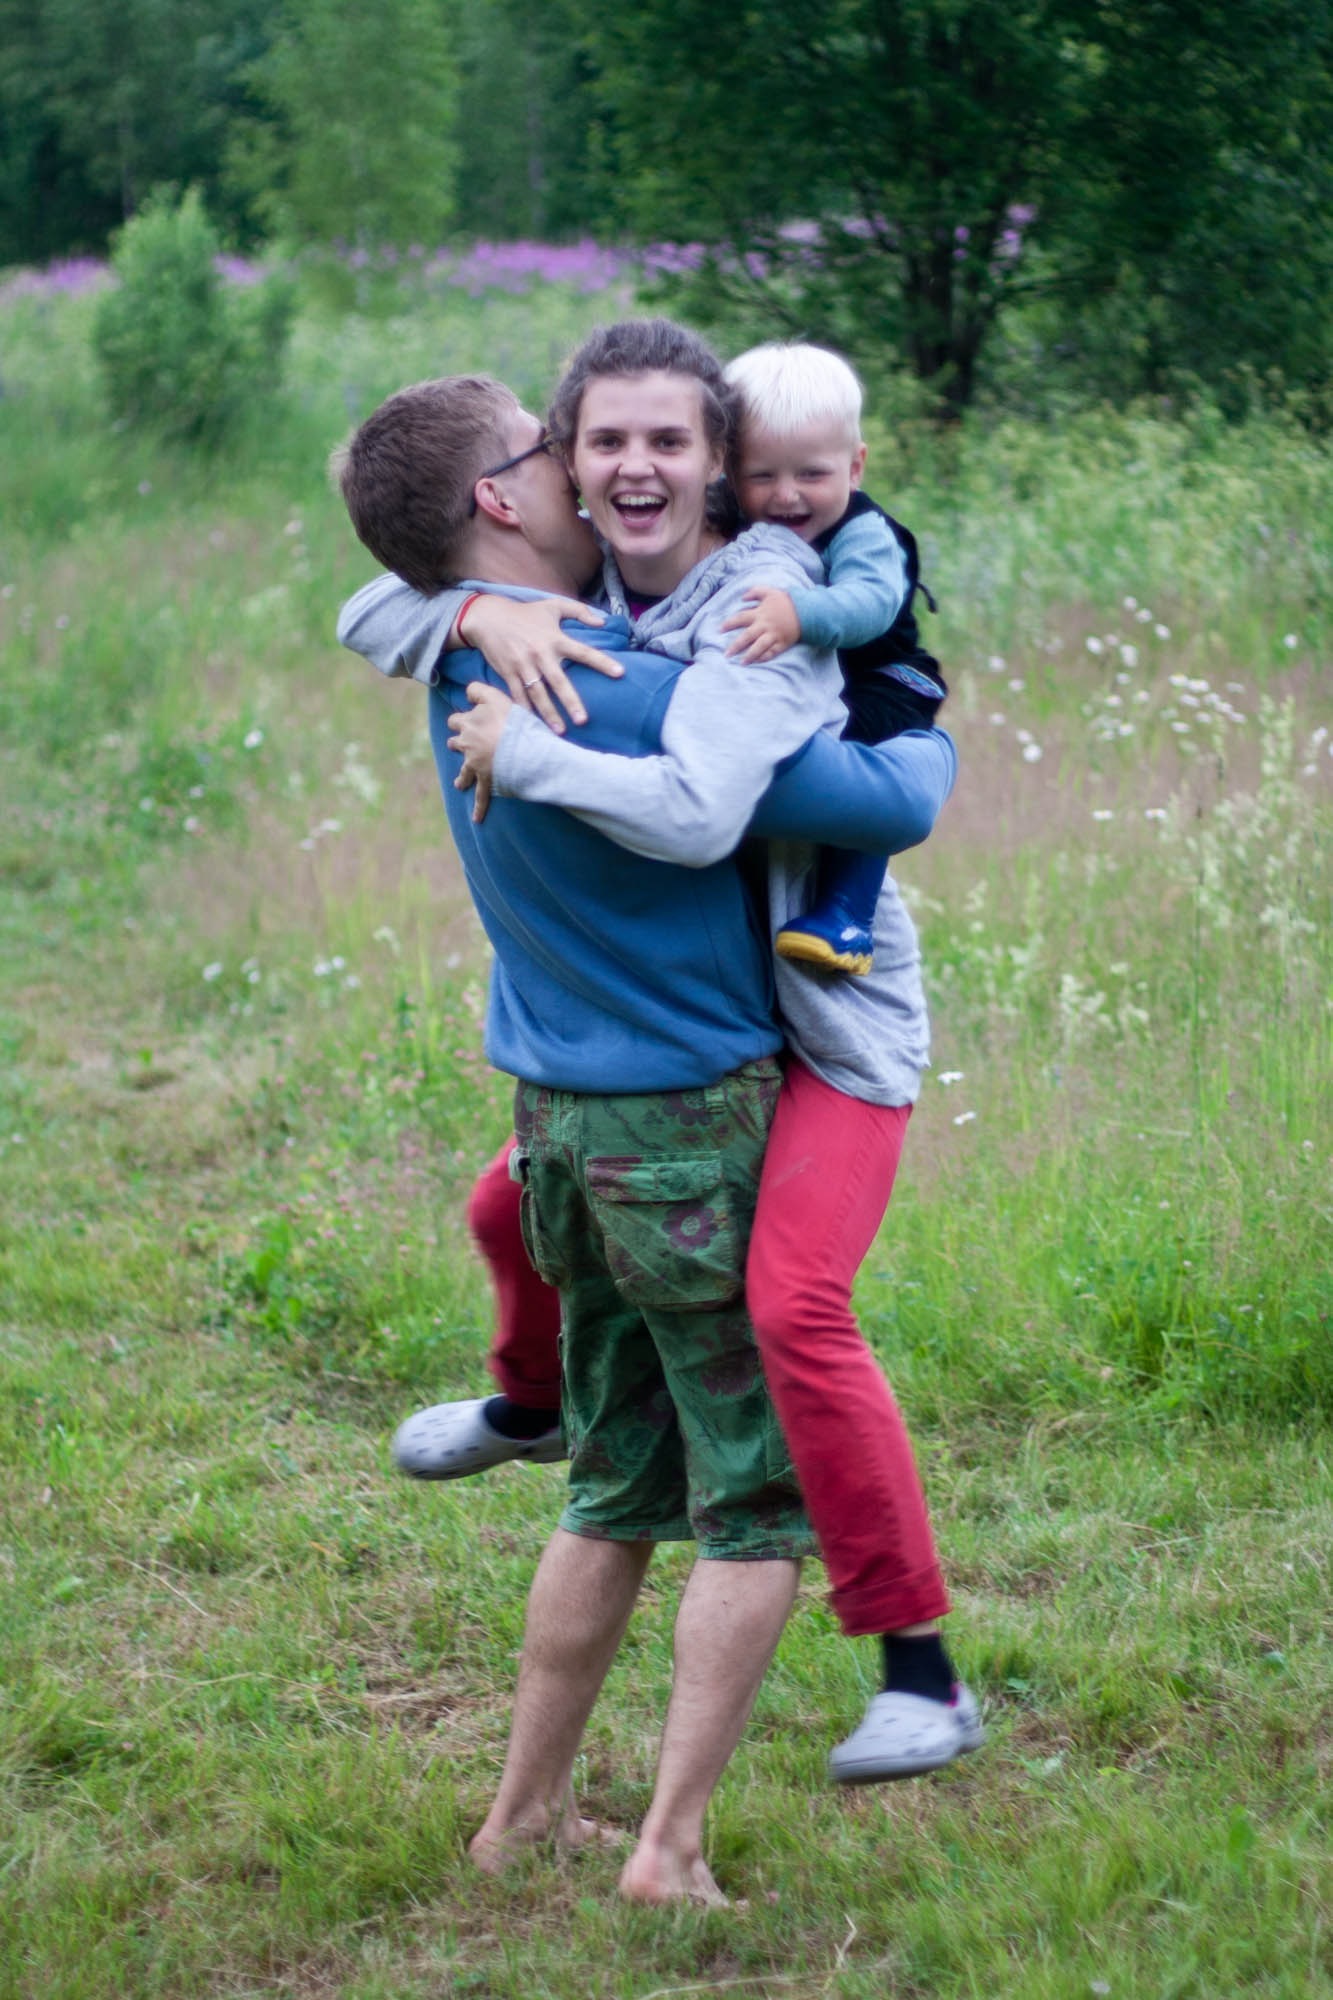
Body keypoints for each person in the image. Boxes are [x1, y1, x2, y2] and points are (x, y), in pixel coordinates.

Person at [338, 320, 982, 1793]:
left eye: (668, 443)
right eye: (591, 442)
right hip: (680, 1056)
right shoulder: (567, 614)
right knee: (508, 1205)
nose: (626, 467)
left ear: (722, 468)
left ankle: (919, 1667)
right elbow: (381, 589)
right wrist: (464, 610)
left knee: (794, 1308)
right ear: (542, 477)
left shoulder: (752, 599)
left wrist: (916, 760)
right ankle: (530, 1402)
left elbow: (869, 800)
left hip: (829, 1025)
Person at [722, 341, 947, 978]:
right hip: (828, 679)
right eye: (761, 476)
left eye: (811, 475)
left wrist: (799, 614)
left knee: (856, 760)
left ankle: (847, 914)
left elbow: (871, 602)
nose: (786, 495)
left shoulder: (865, 532)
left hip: (884, 677)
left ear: (855, 467)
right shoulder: (729, 521)